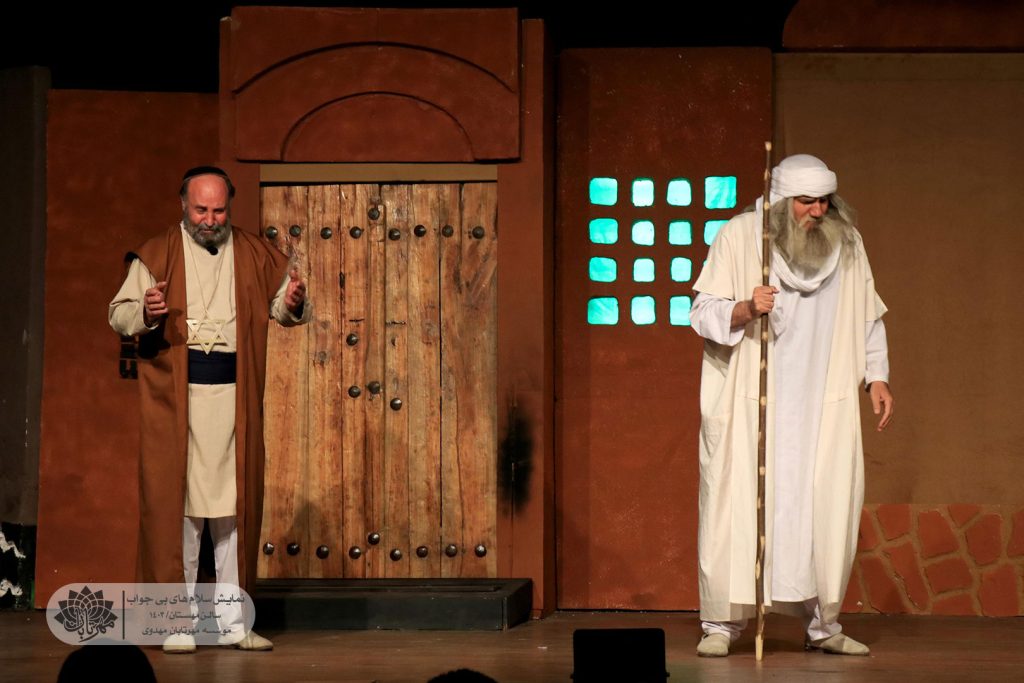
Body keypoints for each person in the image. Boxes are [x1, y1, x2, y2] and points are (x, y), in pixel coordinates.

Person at [690, 154, 893, 657]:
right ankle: (721, 626)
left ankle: (824, 625)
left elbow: (868, 315)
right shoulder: (740, 237)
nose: (818, 211)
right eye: (806, 201)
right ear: (780, 202)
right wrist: (745, 307)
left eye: (824, 201)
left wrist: (877, 376)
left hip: (822, 401)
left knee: (826, 506)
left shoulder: (847, 242)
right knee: (736, 506)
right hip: (752, 401)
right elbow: (702, 312)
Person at [109, 166, 311, 653]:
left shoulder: (253, 252)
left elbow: (282, 308)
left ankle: (235, 623)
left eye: (219, 210)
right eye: (201, 209)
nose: (210, 219)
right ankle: (175, 623)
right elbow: (119, 314)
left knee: (233, 512)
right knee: (179, 511)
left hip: (234, 401)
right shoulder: (157, 253)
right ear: (183, 204)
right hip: (177, 402)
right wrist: (147, 311)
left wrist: (292, 301)